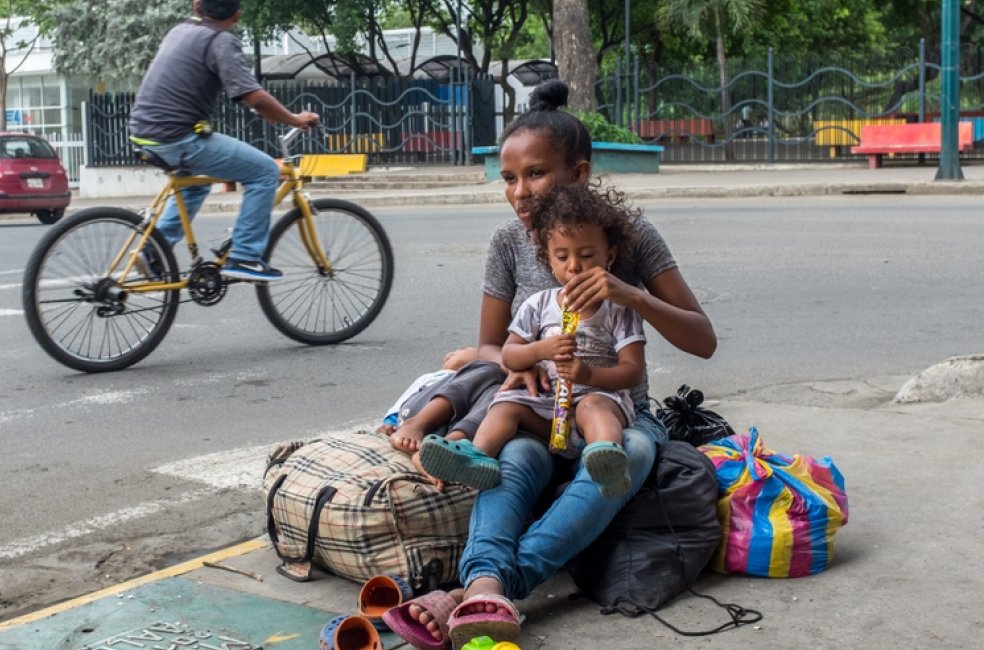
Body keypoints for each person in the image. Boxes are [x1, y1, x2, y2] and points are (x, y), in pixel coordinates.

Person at [381, 79, 717, 648]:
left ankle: (491, 588)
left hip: (611, 411)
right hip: (540, 410)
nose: (519, 192)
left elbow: (703, 340)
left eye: (535, 174)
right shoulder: (509, 242)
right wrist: (526, 363)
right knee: (512, 453)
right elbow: (491, 346)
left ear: (579, 174)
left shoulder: (627, 239)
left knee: (631, 448)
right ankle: (486, 582)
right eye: (509, 178)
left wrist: (630, 294)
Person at [416, 184, 647, 499]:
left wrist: (588, 376)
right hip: (547, 406)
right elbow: (510, 355)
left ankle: (606, 460)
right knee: (506, 406)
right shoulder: (539, 304)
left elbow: (633, 370)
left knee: (594, 406)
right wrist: (540, 351)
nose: (574, 266)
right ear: (548, 258)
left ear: (610, 255)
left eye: (587, 255)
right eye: (562, 256)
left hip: (599, 400)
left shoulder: (618, 310)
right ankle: (476, 458)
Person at [127, 0, 319, 282]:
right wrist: (294, 119)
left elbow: (244, 96)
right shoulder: (220, 40)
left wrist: (266, 111)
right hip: (178, 137)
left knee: (196, 183)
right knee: (266, 171)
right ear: (237, 15)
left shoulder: (179, 30)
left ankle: (154, 251)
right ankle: (244, 257)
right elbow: (253, 96)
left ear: (197, 7)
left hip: (144, 131)